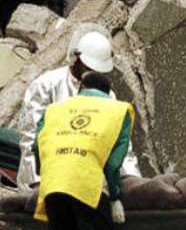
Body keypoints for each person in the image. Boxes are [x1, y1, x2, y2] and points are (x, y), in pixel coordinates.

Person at [34, 71, 132, 230]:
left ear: (81, 88)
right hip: (88, 184)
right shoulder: (118, 110)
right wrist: (115, 196)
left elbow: (37, 147)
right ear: (108, 92)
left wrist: (50, 172)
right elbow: (113, 162)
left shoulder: (55, 110)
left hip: (54, 183)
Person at [17, 30, 139, 189]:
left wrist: (133, 179)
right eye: (90, 67)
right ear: (77, 59)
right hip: (48, 177)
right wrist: (37, 180)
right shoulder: (46, 85)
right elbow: (31, 136)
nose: (94, 73)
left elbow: (118, 142)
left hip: (86, 180)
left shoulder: (107, 95)